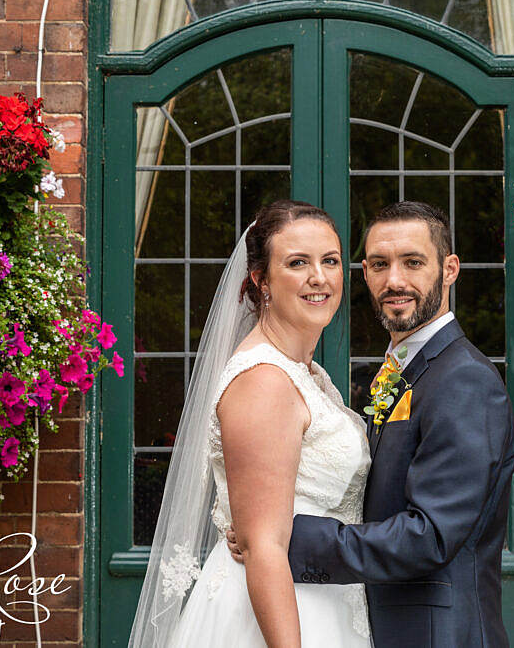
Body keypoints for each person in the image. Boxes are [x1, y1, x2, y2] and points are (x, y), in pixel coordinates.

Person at [228, 201, 514, 647]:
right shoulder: (401, 370)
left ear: (450, 269)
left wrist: (288, 536)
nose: (394, 281)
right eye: (380, 264)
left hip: (440, 634)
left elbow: (431, 536)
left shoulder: (464, 379)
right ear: (364, 272)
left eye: (413, 263)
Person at [128, 200, 373, 648]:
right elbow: (262, 547)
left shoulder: (306, 375)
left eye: (330, 261)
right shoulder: (264, 381)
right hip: (280, 616)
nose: (319, 277)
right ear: (261, 279)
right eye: (297, 263)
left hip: (325, 598)